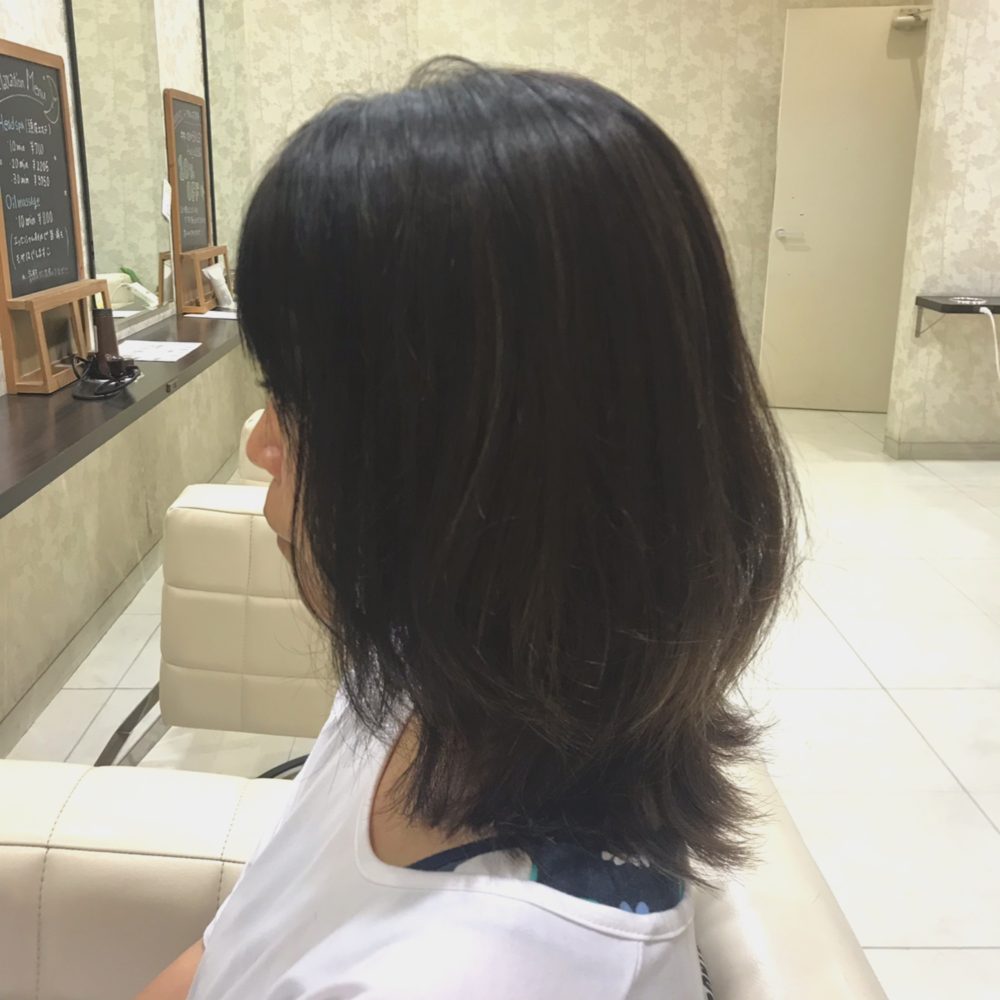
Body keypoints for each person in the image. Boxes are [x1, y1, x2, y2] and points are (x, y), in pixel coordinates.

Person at [136, 58, 795, 1000]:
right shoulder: (425, 674)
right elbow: (228, 951)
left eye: (293, 401)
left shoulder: (485, 971)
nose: (260, 443)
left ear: (460, 472)